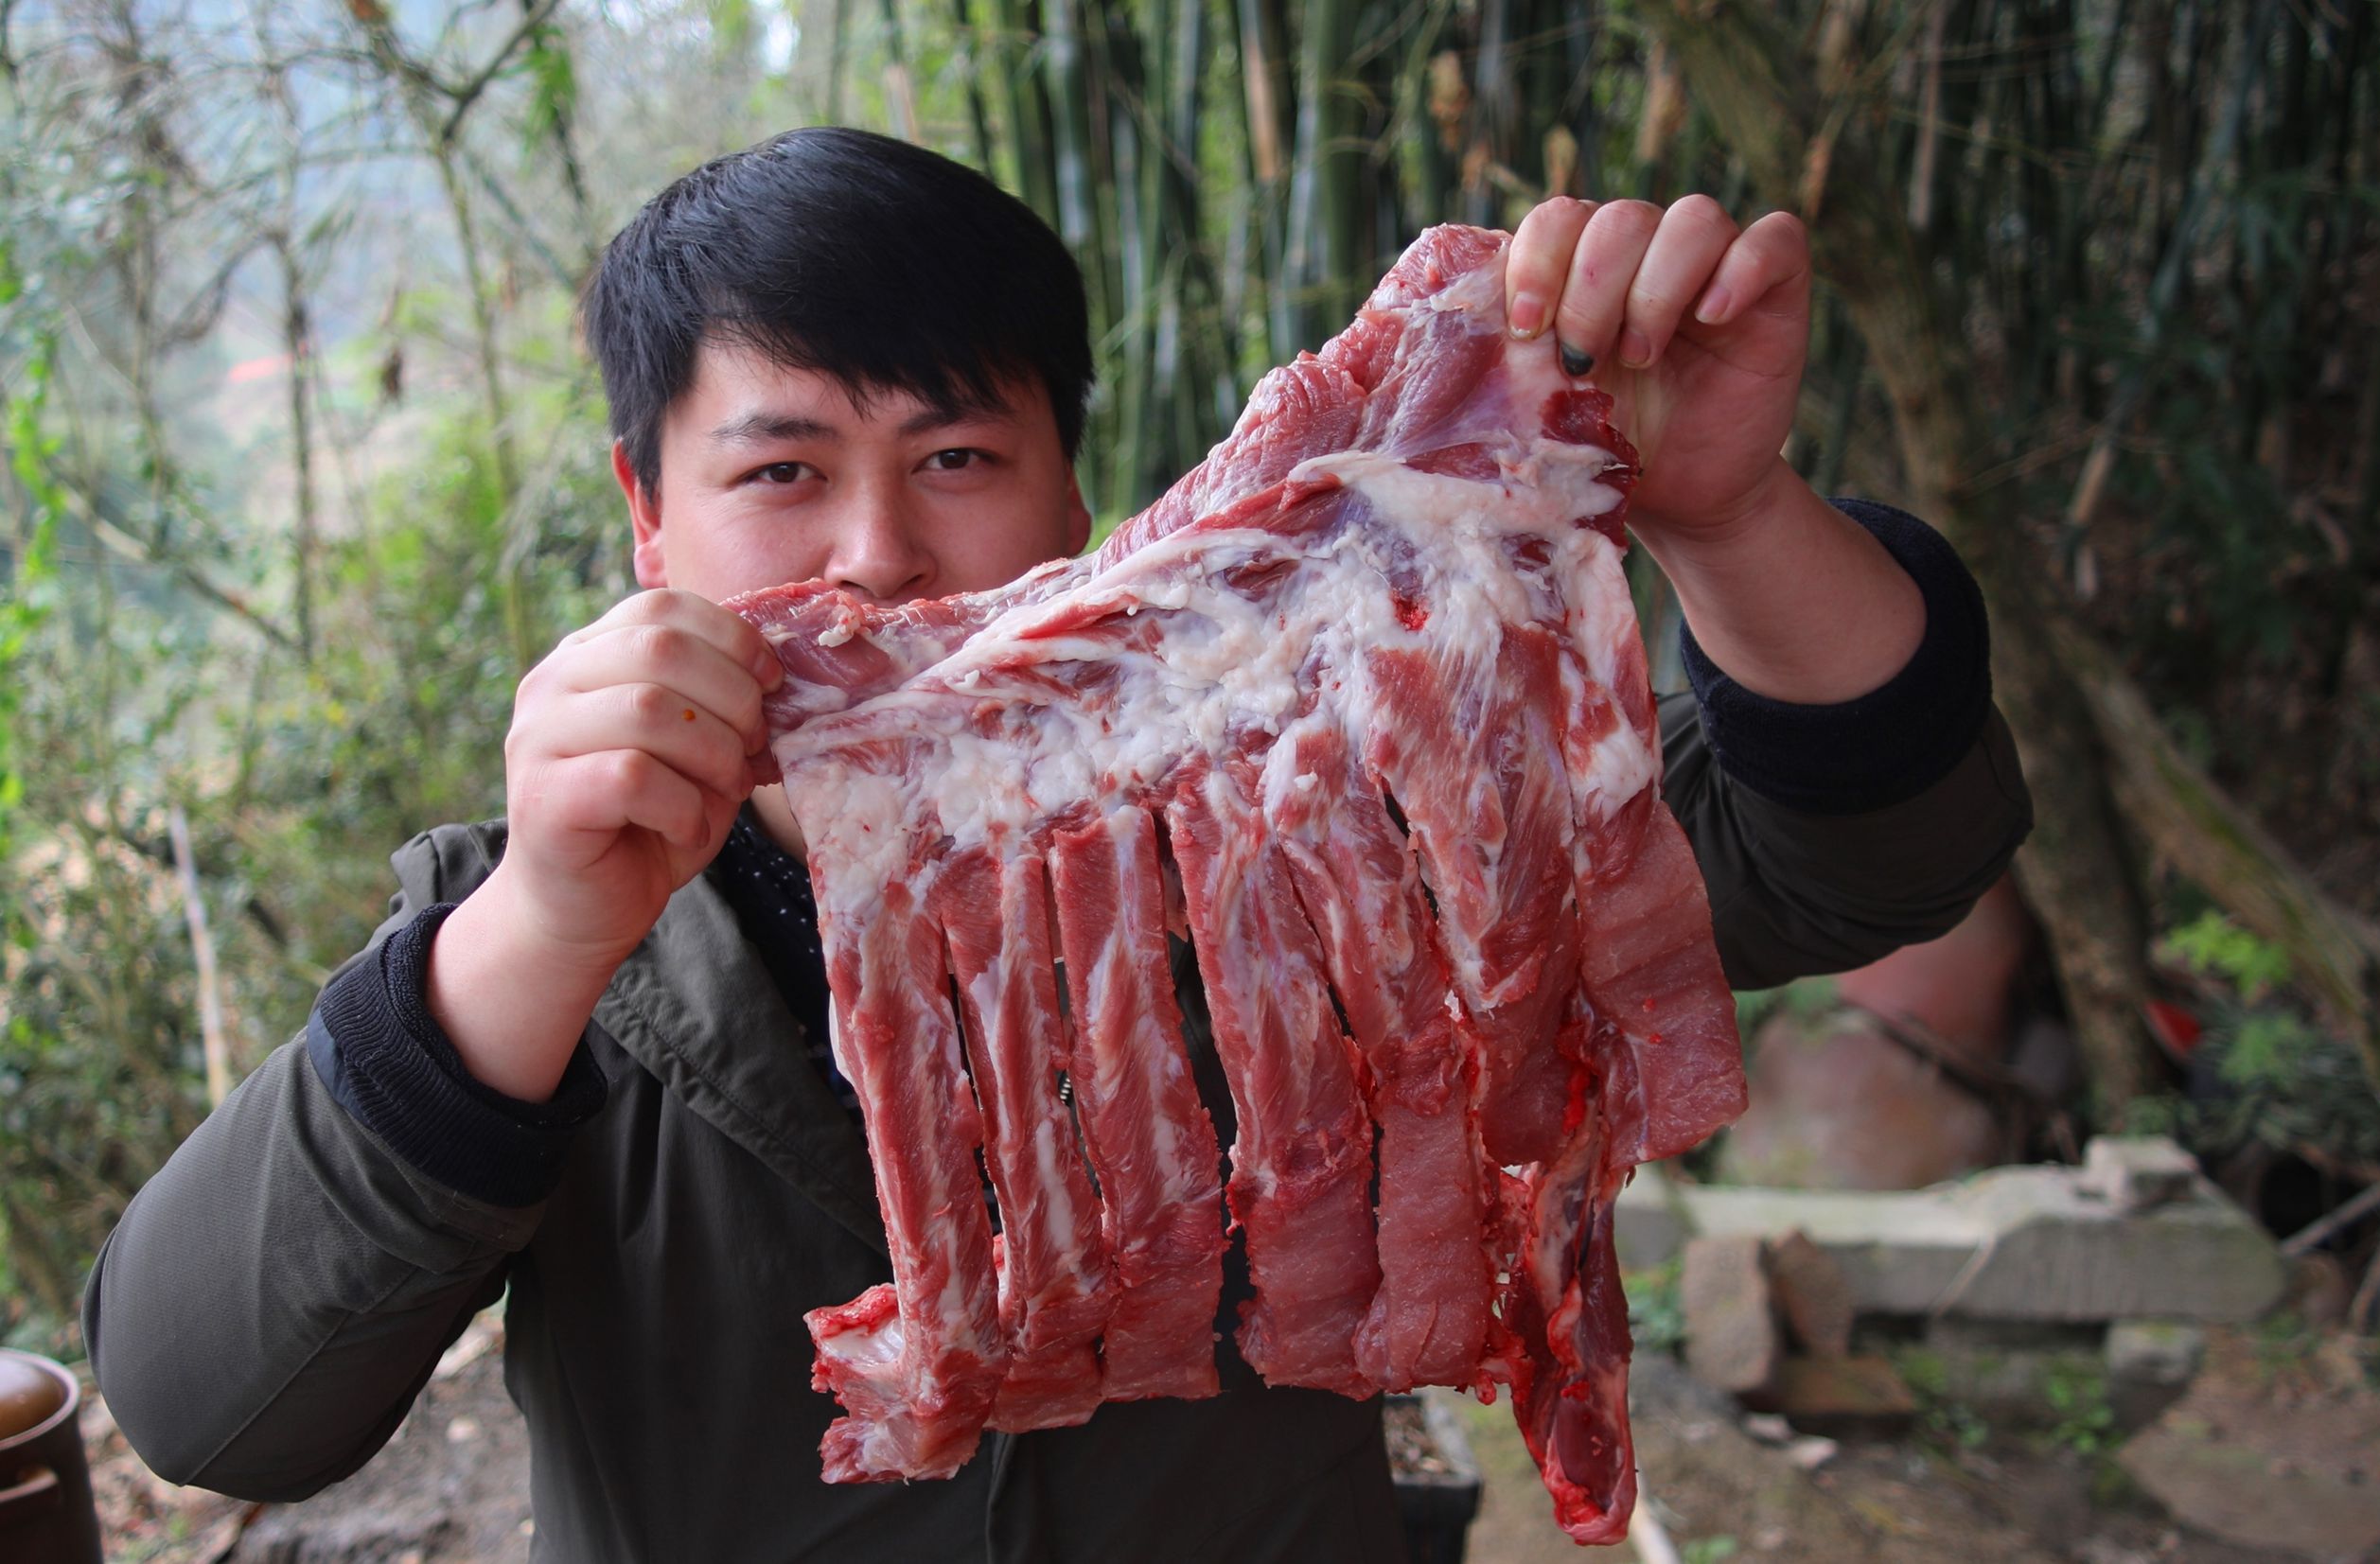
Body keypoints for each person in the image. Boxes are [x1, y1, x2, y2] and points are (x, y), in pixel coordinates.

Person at [82, 127, 2031, 1561]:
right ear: (645, 516)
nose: (872, 555)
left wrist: (1730, 510)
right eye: (776, 473)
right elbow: (204, 1398)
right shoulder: (527, 931)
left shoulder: (1308, 811)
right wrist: (536, 924)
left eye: (954, 457)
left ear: (1079, 495)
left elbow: (1868, 852)